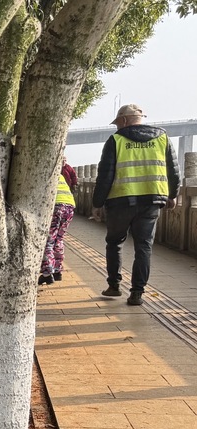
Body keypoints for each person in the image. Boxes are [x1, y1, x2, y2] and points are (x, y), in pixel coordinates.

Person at [92, 104, 180, 306]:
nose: (116, 128)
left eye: (117, 123)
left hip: (120, 201)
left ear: (123, 120)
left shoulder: (116, 140)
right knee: (144, 247)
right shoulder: (162, 138)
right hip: (151, 201)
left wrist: (97, 203)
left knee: (115, 242)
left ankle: (114, 286)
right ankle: (137, 293)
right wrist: (172, 195)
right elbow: (173, 170)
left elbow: (105, 175)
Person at [38, 168, 77, 285]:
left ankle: (47, 273)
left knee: (48, 240)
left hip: (55, 206)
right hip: (69, 206)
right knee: (59, 239)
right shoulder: (59, 175)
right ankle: (57, 270)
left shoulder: (43, 172)